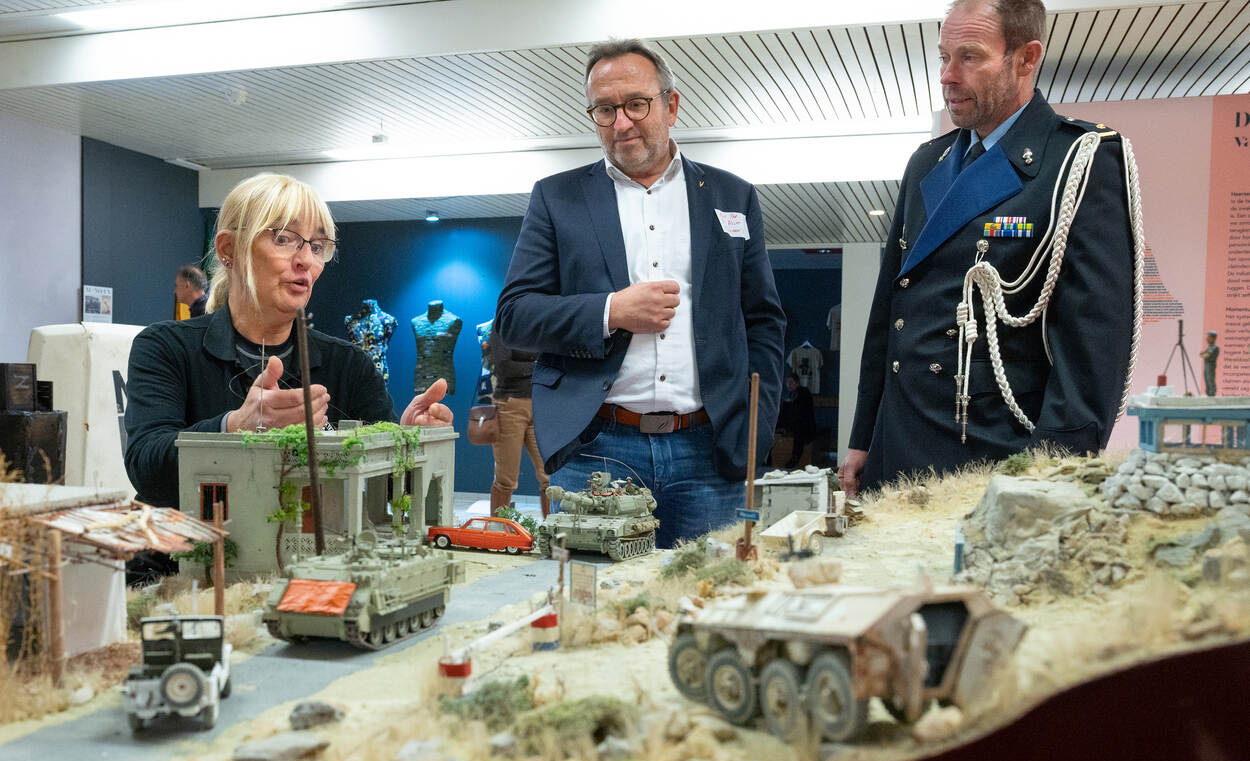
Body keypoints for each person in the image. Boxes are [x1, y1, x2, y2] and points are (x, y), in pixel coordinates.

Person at [839, 0, 1138, 496]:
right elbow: (890, 311)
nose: (947, 76)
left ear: (1026, 58)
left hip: (993, 457)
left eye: (970, 57)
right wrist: (863, 437)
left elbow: (1093, 350)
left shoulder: (1079, 160)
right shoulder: (927, 162)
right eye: (944, 57)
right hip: (898, 447)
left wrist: (1050, 480)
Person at [496, 38, 786, 548]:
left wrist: (754, 430)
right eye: (605, 110)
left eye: (636, 104)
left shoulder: (731, 195)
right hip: (596, 448)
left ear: (671, 106)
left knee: (706, 592)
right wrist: (612, 310)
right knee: (588, 596)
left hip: (711, 450)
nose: (621, 123)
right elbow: (515, 316)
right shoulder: (557, 198)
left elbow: (763, 321)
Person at [125, 173, 453, 509]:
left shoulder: (350, 366)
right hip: (193, 541)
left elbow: (394, 493)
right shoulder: (165, 348)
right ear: (228, 249)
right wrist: (234, 427)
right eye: (283, 238)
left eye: (317, 246)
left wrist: (407, 443)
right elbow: (146, 468)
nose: (306, 260)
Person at [489, 332, 551, 517]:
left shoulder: (539, 327)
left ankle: (553, 528)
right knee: (506, 478)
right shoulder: (503, 328)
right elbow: (504, 366)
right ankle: (498, 528)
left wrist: (532, 366)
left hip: (540, 406)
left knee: (550, 476)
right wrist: (541, 366)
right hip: (510, 407)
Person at [776, 371, 817, 469]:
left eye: (791, 382)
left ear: (797, 383)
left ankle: (795, 458)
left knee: (799, 431)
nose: (788, 385)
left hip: (805, 426)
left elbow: (801, 412)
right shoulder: (792, 394)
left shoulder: (803, 392)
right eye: (787, 383)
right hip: (796, 424)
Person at [1201, 331, 1219, 396]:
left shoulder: (1215, 347)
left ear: (1214, 338)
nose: (1207, 339)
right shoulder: (1209, 347)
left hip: (1211, 366)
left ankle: (1212, 394)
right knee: (1206, 380)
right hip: (1206, 365)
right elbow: (1202, 354)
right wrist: (1205, 354)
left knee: (1210, 380)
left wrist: (1205, 355)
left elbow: (1207, 355)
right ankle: (1208, 394)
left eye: (1209, 337)